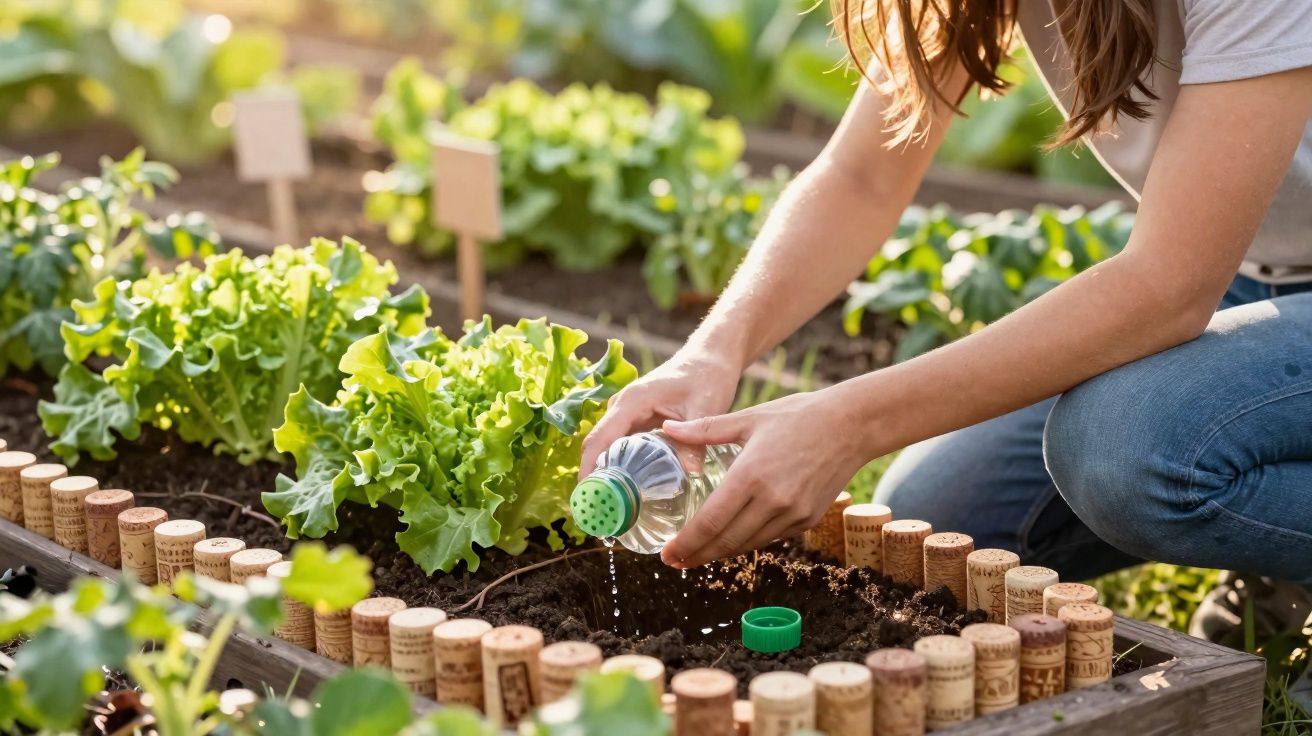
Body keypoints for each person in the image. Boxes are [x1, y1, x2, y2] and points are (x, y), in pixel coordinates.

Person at [582, 0, 1312, 639]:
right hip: (1248, 271)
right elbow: (862, 177)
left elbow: (1169, 285)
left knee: (1123, 445)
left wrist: (848, 422)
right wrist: (712, 351)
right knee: (938, 518)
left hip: (1213, 278)